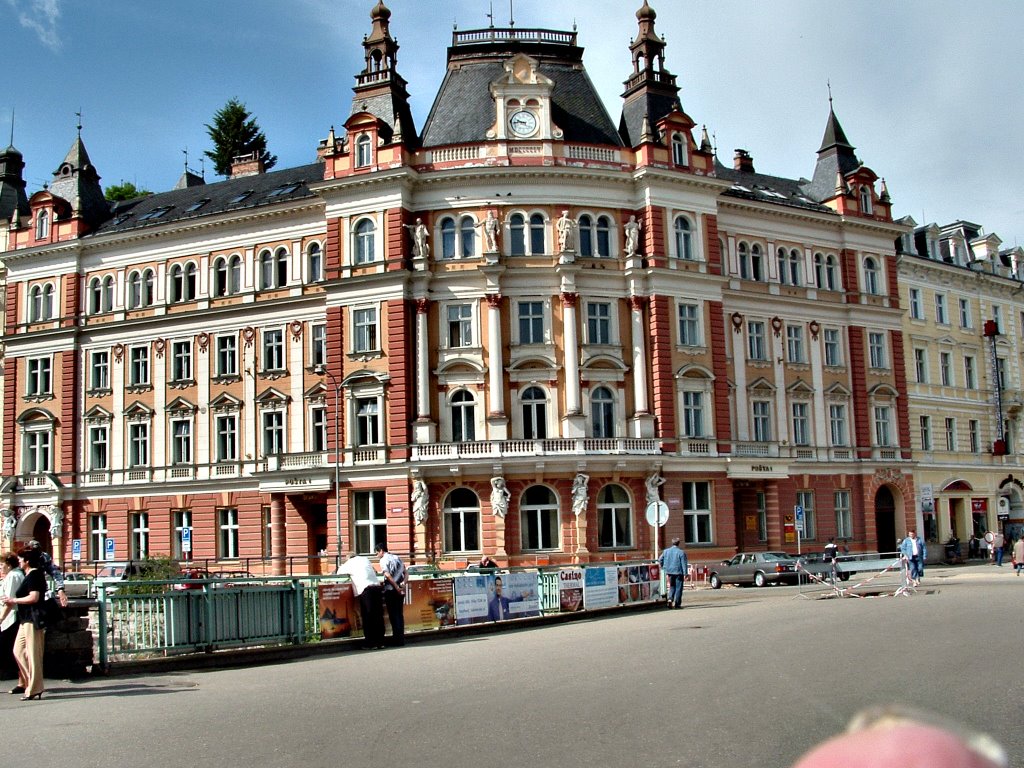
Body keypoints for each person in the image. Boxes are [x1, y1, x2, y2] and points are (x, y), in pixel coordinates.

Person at [0, 549, 47, 699]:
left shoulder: (34, 575)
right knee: (18, 651)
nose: (19, 561)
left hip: (32, 619)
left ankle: (34, 688)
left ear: (27, 561)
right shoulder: (27, 574)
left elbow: (34, 597)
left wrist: (13, 600)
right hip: (24, 619)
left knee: (33, 654)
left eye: (21, 559)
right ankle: (30, 681)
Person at [336, 552, 384, 649]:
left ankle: (370, 643)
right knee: (378, 616)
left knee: (368, 616)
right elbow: (374, 571)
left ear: (348, 558)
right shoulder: (365, 559)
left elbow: (339, 572)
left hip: (366, 590)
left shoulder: (350, 562)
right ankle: (380, 642)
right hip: (376, 587)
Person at [375, 543, 406, 647]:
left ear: (381, 551)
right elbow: (406, 573)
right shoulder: (397, 557)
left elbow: (387, 575)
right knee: (400, 614)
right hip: (401, 589)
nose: (376, 555)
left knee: (393, 615)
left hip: (391, 590)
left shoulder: (383, 560)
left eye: (377, 552)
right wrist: (403, 584)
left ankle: (396, 640)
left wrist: (396, 587)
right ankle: (401, 639)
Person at [0, 553, 24, 680]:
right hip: (13, 616)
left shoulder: (13, 576)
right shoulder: (15, 575)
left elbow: (9, 601)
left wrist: (1, 618)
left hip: (12, 618)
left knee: (8, 648)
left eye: (2, 565)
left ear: (8, 565)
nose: (0, 567)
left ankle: (19, 677)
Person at [29, 539, 67, 608]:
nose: (38, 554)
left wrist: (60, 589)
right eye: (35, 551)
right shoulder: (25, 557)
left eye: (39, 550)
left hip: (41, 589)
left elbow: (55, 572)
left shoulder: (44, 557)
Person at [658, 537, 688, 609]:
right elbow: (683, 564)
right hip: (678, 572)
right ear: (678, 543)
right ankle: (677, 604)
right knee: (679, 588)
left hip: (669, 572)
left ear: (672, 543)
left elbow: (660, 559)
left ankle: (670, 599)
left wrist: (663, 567)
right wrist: (685, 574)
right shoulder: (681, 552)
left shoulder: (666, 551)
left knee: (672, 587)